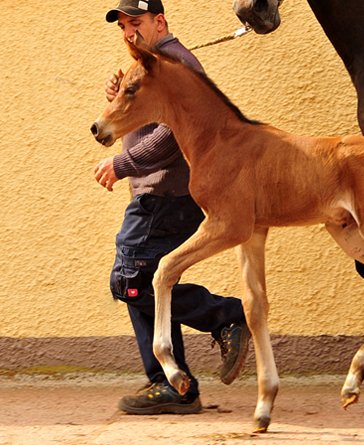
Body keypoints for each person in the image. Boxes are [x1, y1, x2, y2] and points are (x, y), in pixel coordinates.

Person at [94, 0, 251, 415]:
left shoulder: (176, 63)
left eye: (137, 23)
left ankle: (226, 316)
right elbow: (146, 116)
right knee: (140, 283)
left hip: (165, 196)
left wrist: (121, 163)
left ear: (159, 21)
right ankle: (171, 384)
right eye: (124, 26)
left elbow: (168, 137)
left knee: (129, 282)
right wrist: (119, 95)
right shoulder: (154, 64)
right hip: (158, 196)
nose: (129, 33)